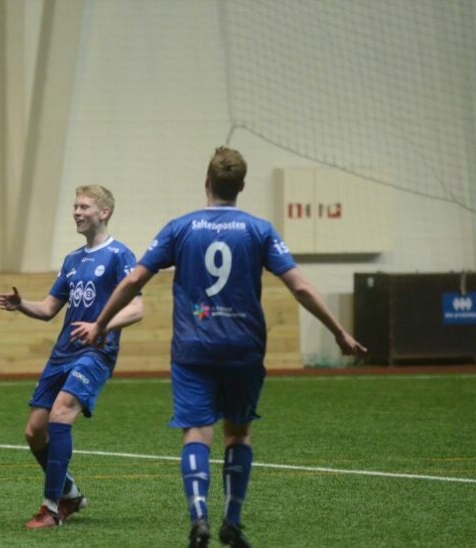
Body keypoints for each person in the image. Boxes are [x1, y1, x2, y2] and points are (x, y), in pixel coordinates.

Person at [71, 147, 367, 548]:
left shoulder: (180, 228)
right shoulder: (259, 230)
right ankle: (232, 521)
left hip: (194, 347)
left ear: (206, 183)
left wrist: (101, 323)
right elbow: (299, 286)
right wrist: (339, 332)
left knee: (197, 432)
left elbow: (134, 280)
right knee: (238, 434)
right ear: (241, 186)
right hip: (244, 347)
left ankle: (199, 520)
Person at [0, 185, 144, 529]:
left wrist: (100, 325)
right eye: (75, 206)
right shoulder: (72, 260)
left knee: (61, 413)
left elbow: (136, 309)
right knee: (34, 431)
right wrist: (21, 305)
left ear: (104, 212)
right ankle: (71, 494)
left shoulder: (120, 255)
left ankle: (51, 508)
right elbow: (49, 309)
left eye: (84, 207)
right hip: (62, 353)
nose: (76, 212)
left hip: (96, 353)